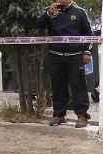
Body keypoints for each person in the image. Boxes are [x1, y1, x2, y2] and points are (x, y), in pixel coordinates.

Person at [36, 0, 93, 128]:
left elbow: (89, 34)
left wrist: (87, 52)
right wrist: (50, 14)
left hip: (75, 56)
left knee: (78, 87)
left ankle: (82, 115)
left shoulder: (80, 12)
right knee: (57, 86)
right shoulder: (50, 11)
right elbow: (39, 24)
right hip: (55, 55)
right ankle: (59, 115)